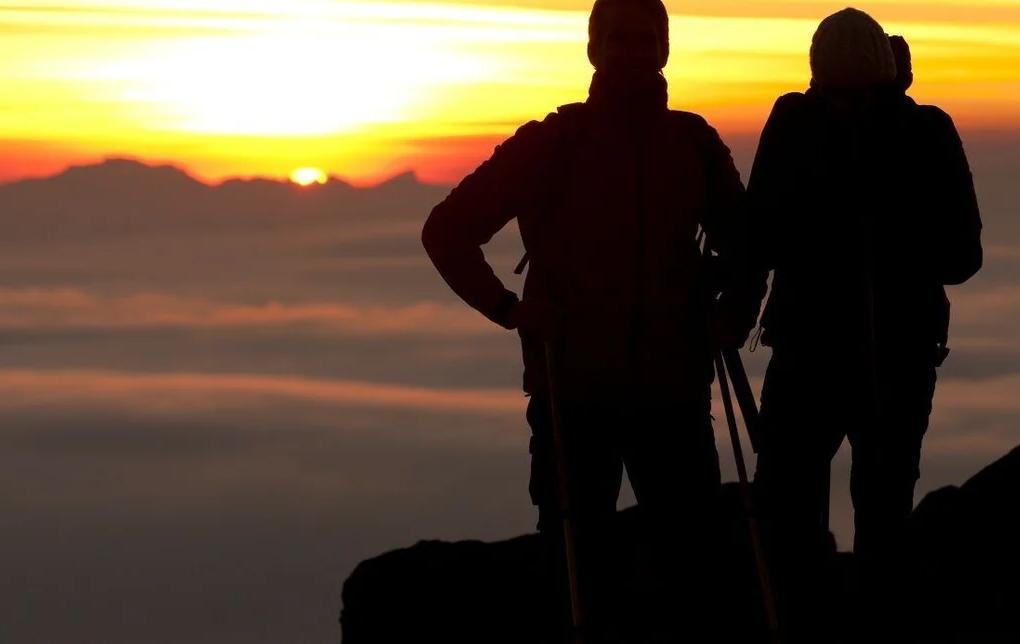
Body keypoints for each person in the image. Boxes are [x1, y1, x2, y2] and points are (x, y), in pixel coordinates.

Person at [419, 0, 766, 641]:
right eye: (620, 39)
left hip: (671, 394)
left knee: (680, 570)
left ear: (663, 49)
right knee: (582, 572)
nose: (633, 51)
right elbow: (446, 231)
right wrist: (510, 310)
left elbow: (748, 251)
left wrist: (733, 310)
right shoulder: (554, 142)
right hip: (574, 397)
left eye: (644, 39)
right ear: (593, 48)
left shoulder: (692, 142)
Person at [735, 8, 983, 643]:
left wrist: (885, 233)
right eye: (834, 93)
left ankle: (867, 630)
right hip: (830, 355)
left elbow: (964, 255)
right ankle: (813, 626)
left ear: (883, 80)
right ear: (817, 83)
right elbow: (758, 233)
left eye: (858, 93)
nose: (846, 106)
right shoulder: (802, 123)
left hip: (883, 358)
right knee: (795, 510)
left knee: (878, 512)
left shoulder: (921, 133)